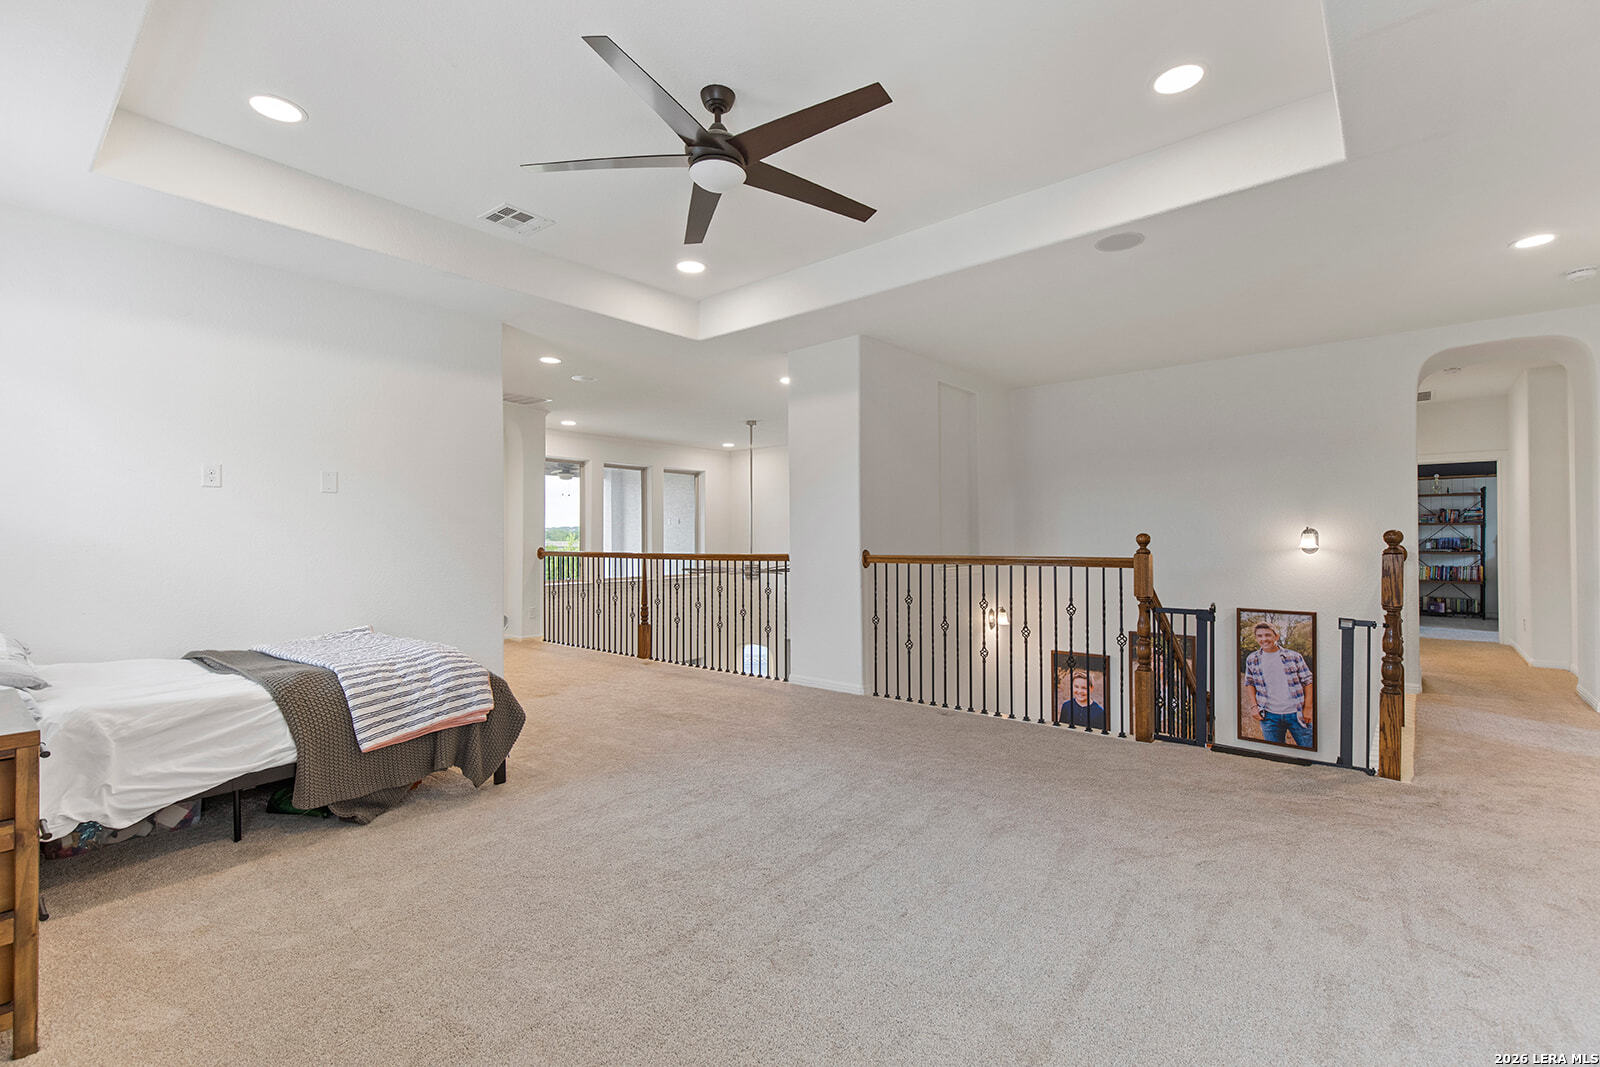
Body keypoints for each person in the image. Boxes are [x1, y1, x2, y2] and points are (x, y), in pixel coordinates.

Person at [1242, 621, 1314, 747]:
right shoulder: (1252, 659)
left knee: (1309, 750)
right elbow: (1250, 683)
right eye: (1260, 636)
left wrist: (1308, 708)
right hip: (1269, 716)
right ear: (1256, 638)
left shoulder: (1294, 657)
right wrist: (1254, 707)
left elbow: (1308, 681)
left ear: (1276, 636)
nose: (1264, 639)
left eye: (1268, 635)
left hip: (1296, 714)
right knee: (1274, 754)